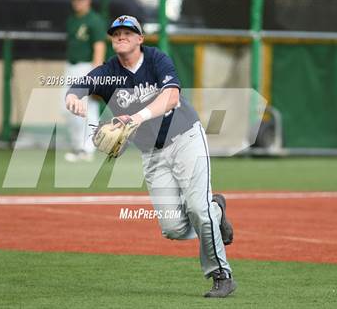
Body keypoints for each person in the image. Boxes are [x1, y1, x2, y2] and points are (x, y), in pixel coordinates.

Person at [65, 15, 237, 297]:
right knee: (172, 227)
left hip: (185, 139)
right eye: (116, 33)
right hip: (152, 154)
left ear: (140, 38)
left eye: (128, 32)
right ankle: (216, 211)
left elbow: (170, 97)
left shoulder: (157, 60)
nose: (122, 36)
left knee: (197, 208)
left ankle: (221, 275)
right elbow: (80, 86)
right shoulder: (108, 72)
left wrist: (136, 118)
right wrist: (73, 97)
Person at [62, 0, 106, 162]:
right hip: (71, 66)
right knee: (68, 107)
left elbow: (99, 46)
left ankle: (87, 149)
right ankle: (78, 146)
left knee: (88, 109)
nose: (77, 2)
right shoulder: (72, 20)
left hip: (86, 67)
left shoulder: (94, 20)